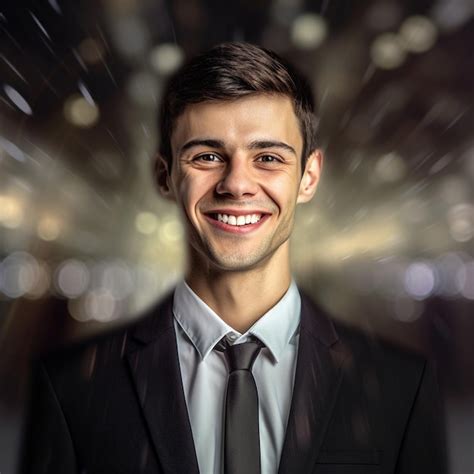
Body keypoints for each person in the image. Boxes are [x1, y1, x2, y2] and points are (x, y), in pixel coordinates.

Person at [20, 42, 447, 474]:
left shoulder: (401, 388)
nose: (237, 184)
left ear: (309, 176)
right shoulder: (71, 389)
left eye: (268, 158)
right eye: (207, 156)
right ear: (164, 177)